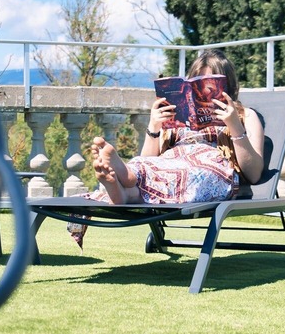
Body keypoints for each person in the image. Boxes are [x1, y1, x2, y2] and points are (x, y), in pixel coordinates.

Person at [68, 49, 265, 247]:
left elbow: (254, 173)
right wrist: (154, 126)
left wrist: (234, 125)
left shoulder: (246, 115)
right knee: (150, 166)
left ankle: (121, 189)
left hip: (212, 167)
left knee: (187, 172)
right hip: (173, 158)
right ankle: (124, 190)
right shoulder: (176, 115)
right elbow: (149, 159)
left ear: (226, 85)